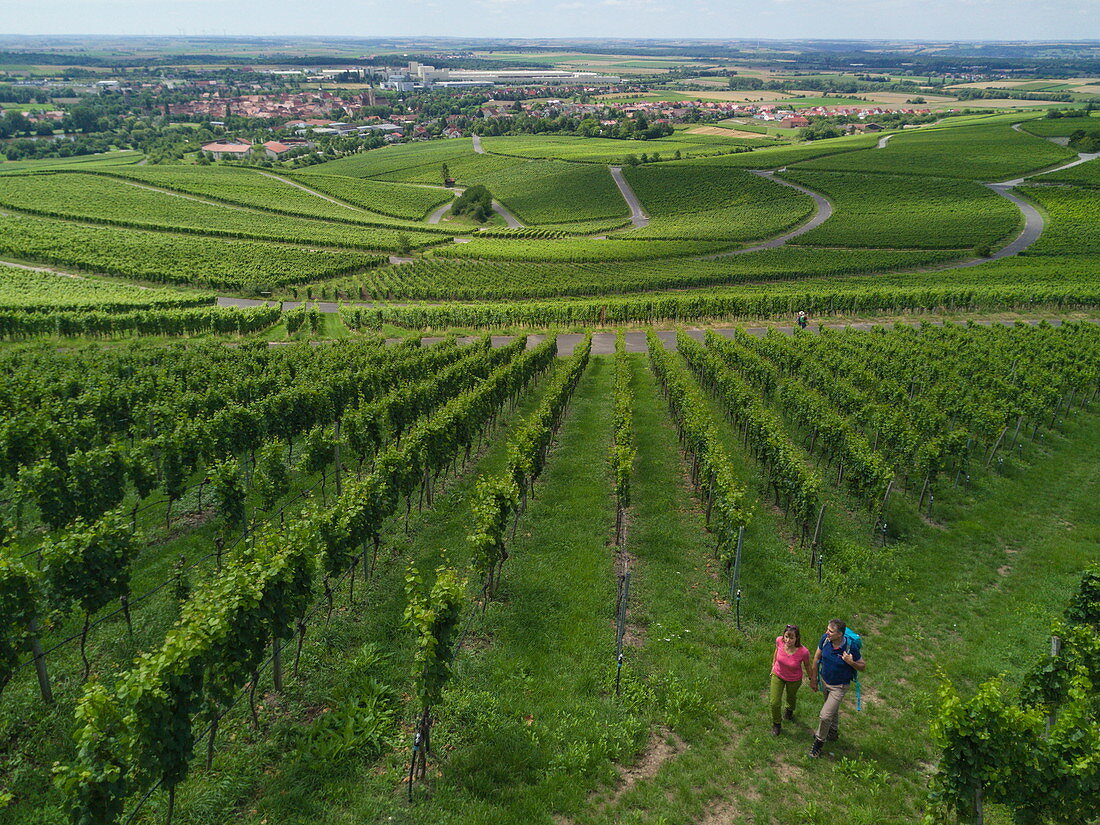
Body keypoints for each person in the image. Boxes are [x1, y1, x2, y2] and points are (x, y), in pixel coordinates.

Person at [809, 619, 865, 758]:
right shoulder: (825, 639)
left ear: (840, 634)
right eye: (828, 629)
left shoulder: (850, 647)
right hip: (825, 681)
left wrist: (851, 662)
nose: (827, 632)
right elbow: (816, 658)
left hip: (839, 687)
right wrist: (814, 679)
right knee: (831, 710)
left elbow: (862, 666)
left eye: (831, 631)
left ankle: (818, 743)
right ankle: (832, 732)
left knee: (825, 715)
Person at [770, 624, 812, 736]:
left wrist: (811, 678)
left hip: (794, 679)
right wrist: (773, 665)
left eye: (791, 638)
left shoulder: (803, 652)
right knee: (774, 702)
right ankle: (777, 723)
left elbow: (807, 665)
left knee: (791, 697)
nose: (788, 640)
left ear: (797, 638)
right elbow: (776, 651)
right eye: (786, 637)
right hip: (778, 674)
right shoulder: (779, 641)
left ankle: (789, 710)